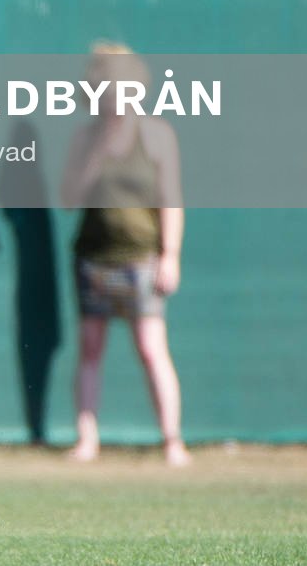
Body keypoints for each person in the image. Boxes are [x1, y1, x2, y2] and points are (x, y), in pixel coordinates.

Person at [58, 43, 188, 468]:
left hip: (142, 259)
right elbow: (68, 199)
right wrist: (95, 156)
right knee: (90, 347)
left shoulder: (157, 135)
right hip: (93, 257)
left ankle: (172, 442)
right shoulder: (85, 137)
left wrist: (169, 255)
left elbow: (171, 198)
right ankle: (86, 439)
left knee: (152, 348)